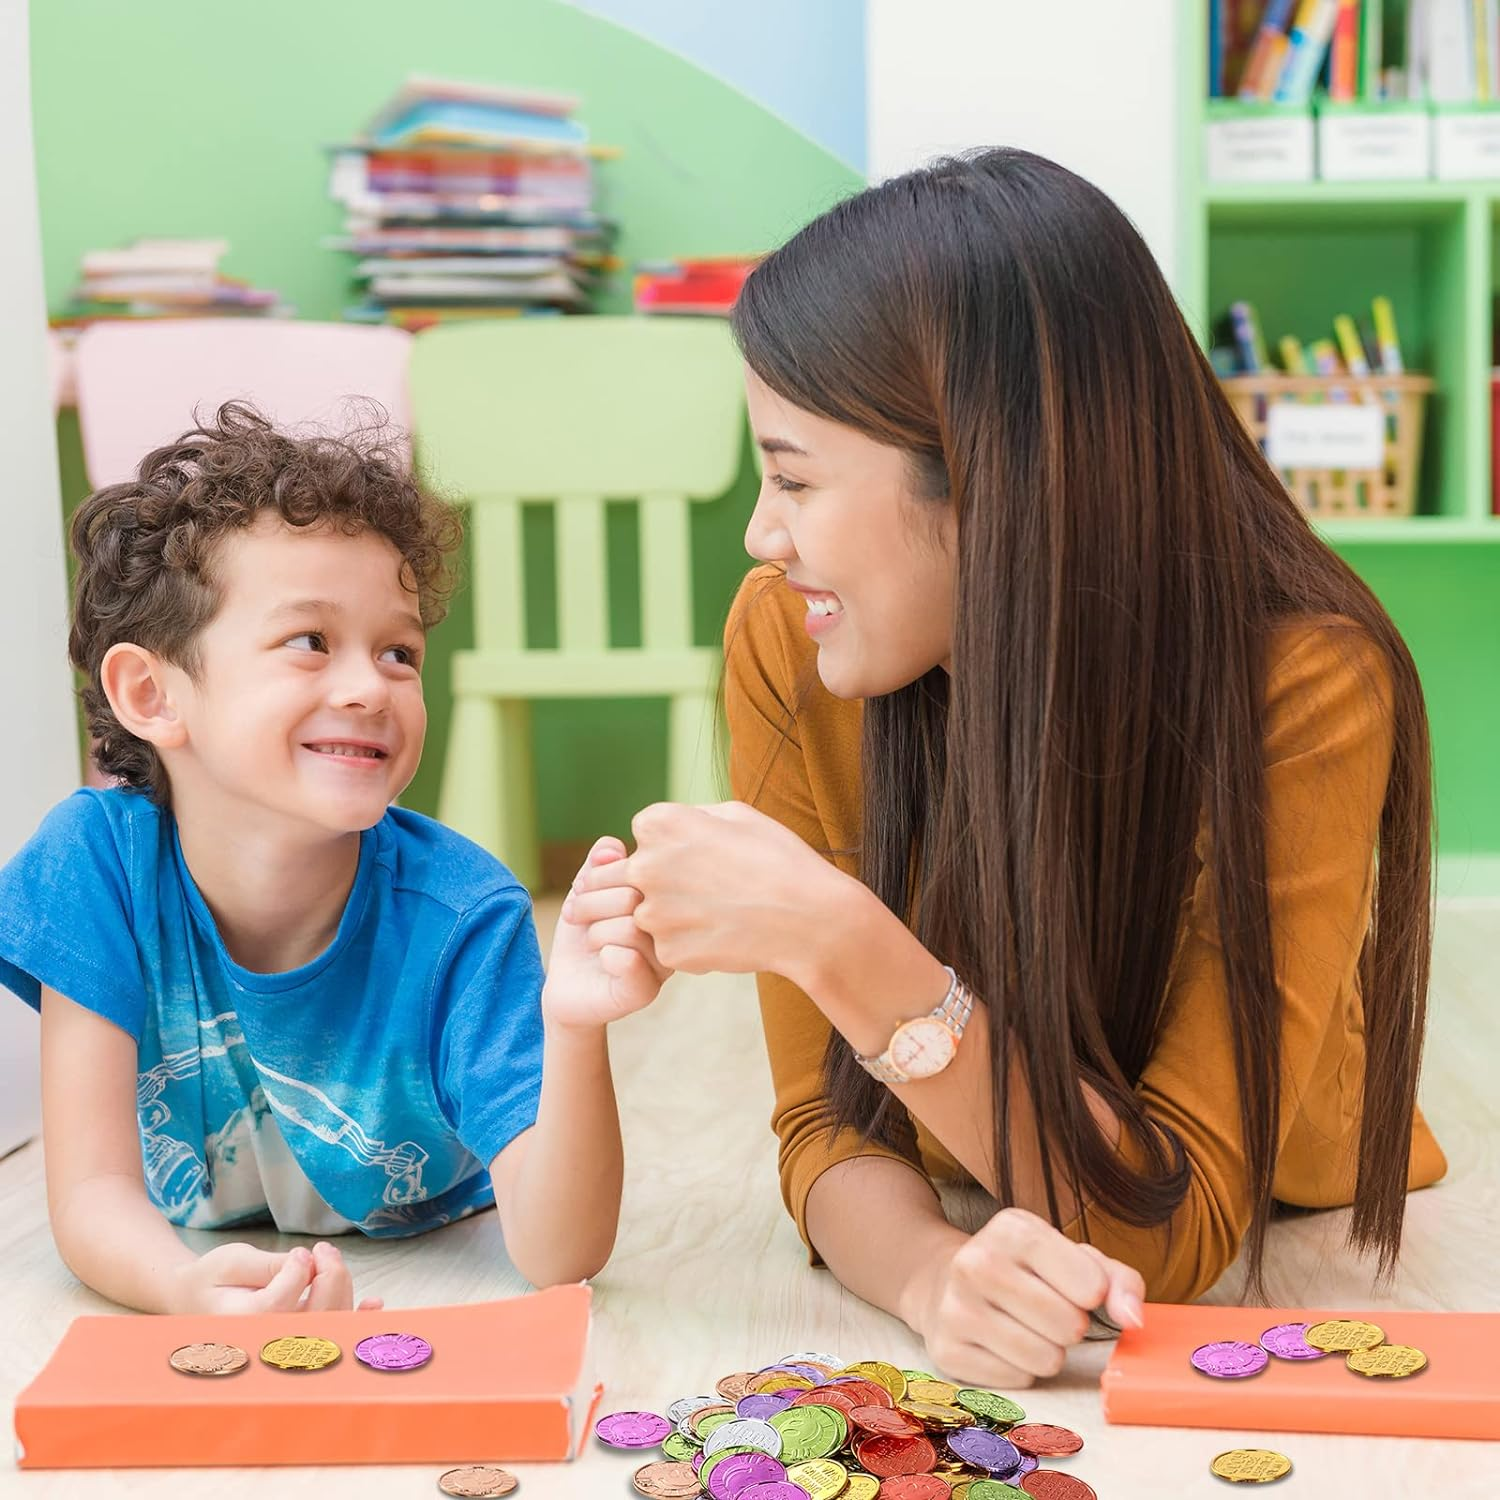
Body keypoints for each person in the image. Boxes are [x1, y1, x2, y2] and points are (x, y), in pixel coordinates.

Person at [566, 148, 1448, 1388]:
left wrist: (838, 937)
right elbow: (826, 1129)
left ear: (992, 480)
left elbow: (1174, 1223)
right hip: (977, 1163)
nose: (766, 535)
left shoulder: (1302, 687)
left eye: (795, 476)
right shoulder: (788, 632)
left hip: (1278, 1213)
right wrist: (931, 1273)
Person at [0, 403, 665, 1315]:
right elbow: (89, 1194)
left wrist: (577, 1028)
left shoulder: (466, 915)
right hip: (193, 1242)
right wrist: (181, 1287)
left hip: (428, 1248)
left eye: (399, 651)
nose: (368, 688)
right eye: (310, 642)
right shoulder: (92, 867)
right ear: (152, 693)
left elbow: (562, 1258)